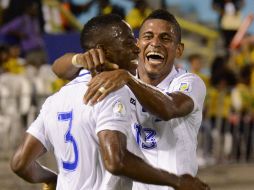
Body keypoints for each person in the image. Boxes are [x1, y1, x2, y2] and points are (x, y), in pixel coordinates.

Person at [11, 14, 209, 190]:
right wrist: (81, 59)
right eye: (147, 37)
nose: (155, 43)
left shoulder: (187, 82)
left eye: (165, 38)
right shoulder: (114, 86)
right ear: (139, 44)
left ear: (179, 49)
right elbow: (58, 68)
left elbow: (169, 108)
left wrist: (126, 77)